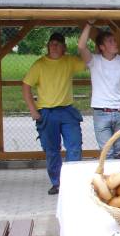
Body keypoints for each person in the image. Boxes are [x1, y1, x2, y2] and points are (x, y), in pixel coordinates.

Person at [22, 32, 86, 195]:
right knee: (51, 150)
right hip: (47, 112)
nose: (54, 46)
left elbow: (88, 61)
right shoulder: (39, 64)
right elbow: (26, 86)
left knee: (75, 146)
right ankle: (57, 183)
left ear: (64, 47)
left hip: (67, 111)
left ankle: (72, 181)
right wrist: (33, 110)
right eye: (51, 43)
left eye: (58, 43)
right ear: (47, 46)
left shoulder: (70, 61)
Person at [78, 22, 120, 159]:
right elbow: (81, 46)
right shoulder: (93, 61)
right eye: (110, 41)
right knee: (107, 153)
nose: (115, 43)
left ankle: (115, 179)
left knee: (116, 153)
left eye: (114, 40)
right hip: (101, 112)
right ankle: (108, 179)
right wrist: (89, 24)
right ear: (102, 47)